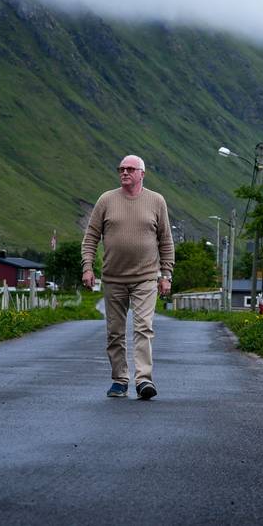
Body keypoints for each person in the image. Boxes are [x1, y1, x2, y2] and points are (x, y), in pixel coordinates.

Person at [82, 154, 174, 400]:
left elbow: (165, 240)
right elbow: (90, 237)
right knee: (115, 331)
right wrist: (87, 267)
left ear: (141, 174)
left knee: (143, 327)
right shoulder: (106, 200)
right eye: (121, 169)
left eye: (130, 169)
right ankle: (120, 380)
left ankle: (144, 379)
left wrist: (166, 274)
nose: (124, 172)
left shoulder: (156, 201)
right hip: (113, 277)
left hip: (145, 277)